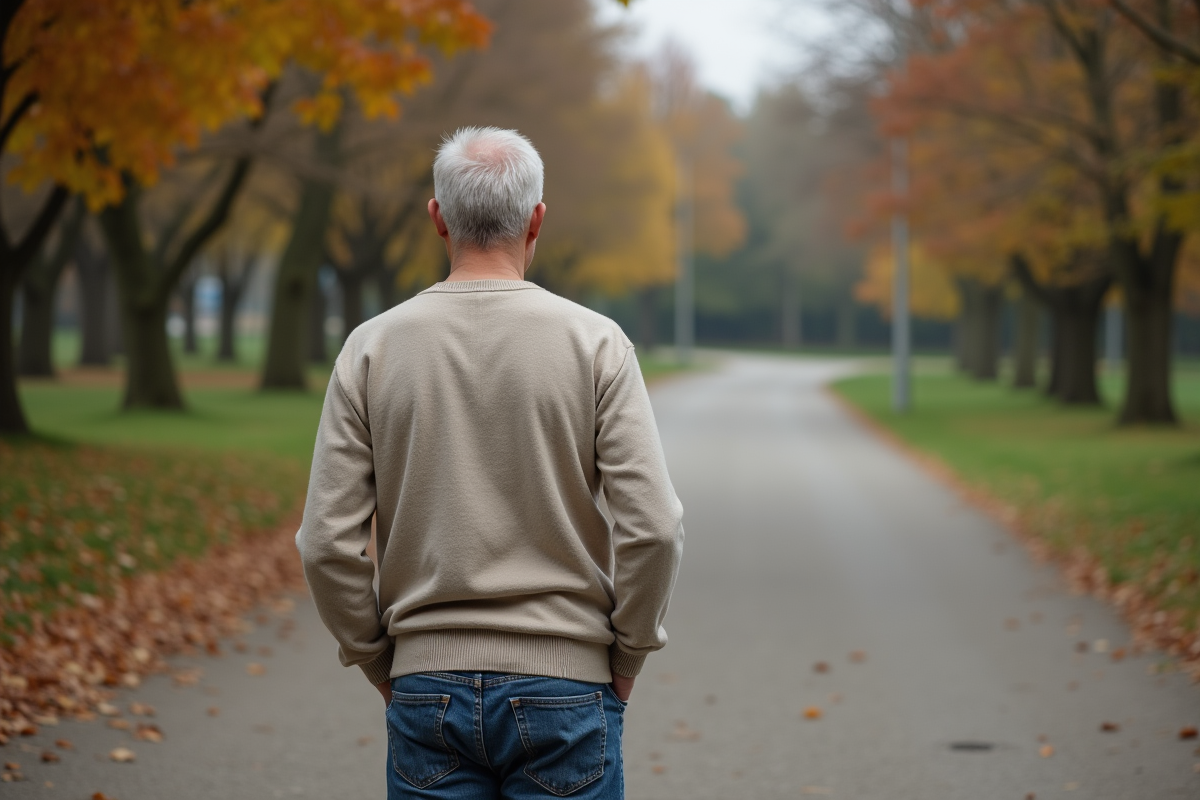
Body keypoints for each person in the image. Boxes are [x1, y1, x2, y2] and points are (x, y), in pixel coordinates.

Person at [297, 126, 684, 800]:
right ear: (536, 220)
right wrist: (627, 654)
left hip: (425, 689)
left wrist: (380, 662)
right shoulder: (597, 345)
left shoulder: (370, 349)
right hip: (567, 688)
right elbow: (654, 528)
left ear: (437, 217)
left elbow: (326, 544)